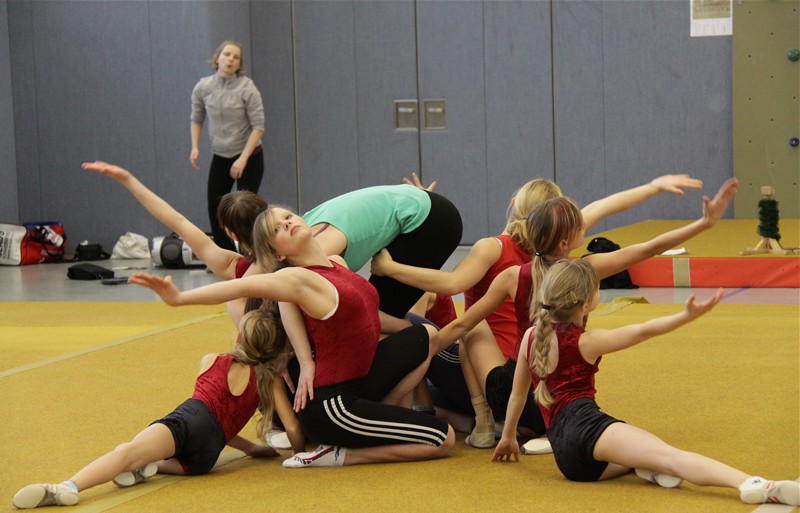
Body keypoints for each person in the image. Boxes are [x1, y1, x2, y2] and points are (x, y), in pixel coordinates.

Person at [129, 204, 455, 468]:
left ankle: (379, 418)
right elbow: (241, 287)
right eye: (277, 230)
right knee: (443, 439)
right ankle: (338, 454)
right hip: (333, 406)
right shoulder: (296, 279)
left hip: (359, 382)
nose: (287, 223)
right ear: (277, 255)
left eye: (287, 217)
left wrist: (304, 359)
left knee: (424, 334)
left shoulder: (335, 262)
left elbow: (294, 306)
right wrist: (180, 298)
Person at [436, 178, 739, 448]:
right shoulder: (584, 270)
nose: (586, 226)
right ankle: (530, 428)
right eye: (580, 226)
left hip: (507, 395)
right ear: (565, 241)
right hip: (555, 403)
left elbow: (462, 324)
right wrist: (703, 224)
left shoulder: (514, 275)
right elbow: (649, 248)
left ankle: (484, 419)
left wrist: (427, 349)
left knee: (473, 325)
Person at [491, 259, 799, 507]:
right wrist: (686, 316)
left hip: (569, 460)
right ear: (584, 305)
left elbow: (518, 395)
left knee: (643, 452)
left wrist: (507, 437)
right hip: (587, 430)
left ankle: (648, 469)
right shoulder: (587, 341)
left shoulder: (531, 337)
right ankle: (753, 484)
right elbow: (643, 330)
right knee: (670, 456)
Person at [371, 174, 703, 358]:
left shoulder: (493, 248)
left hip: (490, 362)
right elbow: (604, 206)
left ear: (514, 203)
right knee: (434, 307)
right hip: (533, 360)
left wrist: (391, 266)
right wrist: (652, 187)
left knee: (421, 309)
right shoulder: (557, 243)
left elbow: (452, 284)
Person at [12, 305, 305, 509]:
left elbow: (206, 414)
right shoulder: (270, 381)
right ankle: (140, 469)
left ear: (239, 337)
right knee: (145, 458)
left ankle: (67, 487)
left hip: (187, 423)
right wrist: (295, 454)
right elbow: (289, 426)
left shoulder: (212, 361)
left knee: (125, 452)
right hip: (205, 459)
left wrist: (250, 448)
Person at [305, 183, 463, 319]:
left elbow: (453, 285)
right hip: (422, 205)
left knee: (376, 317)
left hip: (428, 216)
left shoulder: (321, 246)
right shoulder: (306, 225)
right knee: (376, 316)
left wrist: (389, 268)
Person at [190, 40, 265, 253]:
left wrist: (242, 159)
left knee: (246, 208)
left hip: (249, 155)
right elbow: (196, 118)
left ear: (239, 64)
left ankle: (251, 252)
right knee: (215, 206)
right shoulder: (203, 87)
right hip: (221, 155)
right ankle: (224, 253)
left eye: (236, 57)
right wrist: (195, 147)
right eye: (227, 54)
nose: (231, 59)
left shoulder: (246, 88)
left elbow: (258, 127)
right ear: (217, 58)